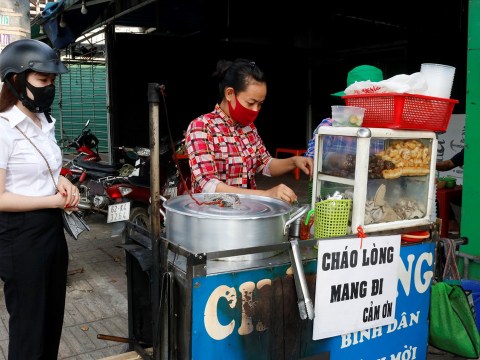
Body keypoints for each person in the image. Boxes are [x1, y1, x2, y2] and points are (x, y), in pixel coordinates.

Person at [0, 39, 80, 359]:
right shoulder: (3, 129)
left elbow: (44, 169)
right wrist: (52, 202)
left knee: (51, 320)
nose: (49, 87)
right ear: (16, 80)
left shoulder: (43, 119)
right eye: (42, 80)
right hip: (19, 235)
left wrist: (61, 182)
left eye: (52, 81)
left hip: (50, 229)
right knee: (29, 328)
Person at [185, 58, 313, 204]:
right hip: (212, 218)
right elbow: (209, 186)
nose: (255, 110)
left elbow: (265, 164)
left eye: (260, 104)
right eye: (251, 103)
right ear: (229, 93)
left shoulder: (248, 127)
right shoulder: (202, 127)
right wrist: (265, 195)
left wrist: (294, 161)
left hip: (246, 214)